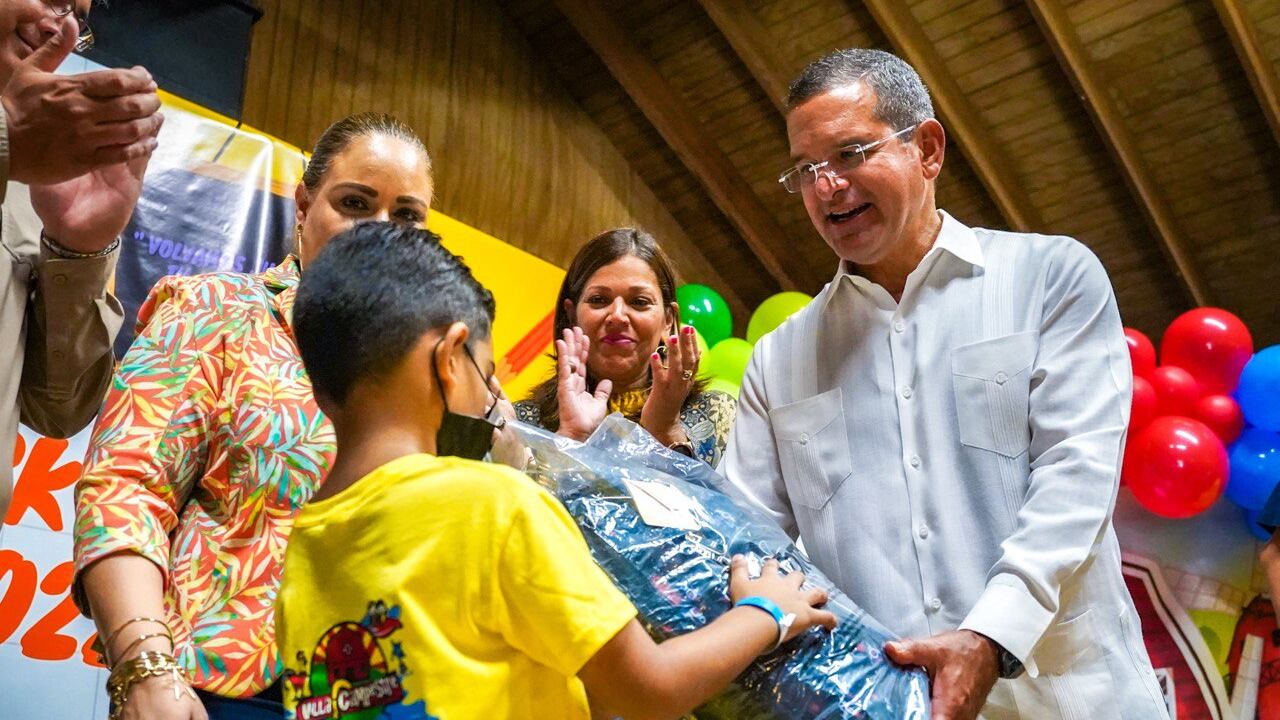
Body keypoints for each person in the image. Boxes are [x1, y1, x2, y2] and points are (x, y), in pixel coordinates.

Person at [720, 49, 1167, 719]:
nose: (826, 188)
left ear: (927, 148)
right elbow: (750, 542)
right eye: (805, 170)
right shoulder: (780, 360)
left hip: (1078, 700)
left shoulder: (1052, 278)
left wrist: (988, 639)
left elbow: (1075, 480)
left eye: (849, 154)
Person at [279, 220, 837, 720]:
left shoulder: (301, 552)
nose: (493, 392)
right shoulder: (495, 503)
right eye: (485, 369)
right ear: (451, 359)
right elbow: (650, 689)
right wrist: (766, 612)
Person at [72, 113, 433, 720]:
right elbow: (126, 491)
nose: (379, 232)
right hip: (213, 693)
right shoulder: (216, 311)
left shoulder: (434, 374)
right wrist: (145, 668)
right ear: (303, 205)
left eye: (405, 216)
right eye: (355, 203)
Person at [0, 0, 163, 514]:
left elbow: (57, 410)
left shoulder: (38, 171)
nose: (59, 23)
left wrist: (81, 251)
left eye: (76, 12)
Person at [515, 228, 735, 466]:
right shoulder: (524, 423)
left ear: (668, 320)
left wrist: (665, 429)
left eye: (639, 302)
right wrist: (570, 438)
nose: (617, 316)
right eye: (599, 300)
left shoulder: (716, 414)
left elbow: (714, 501)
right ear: (571, 315)